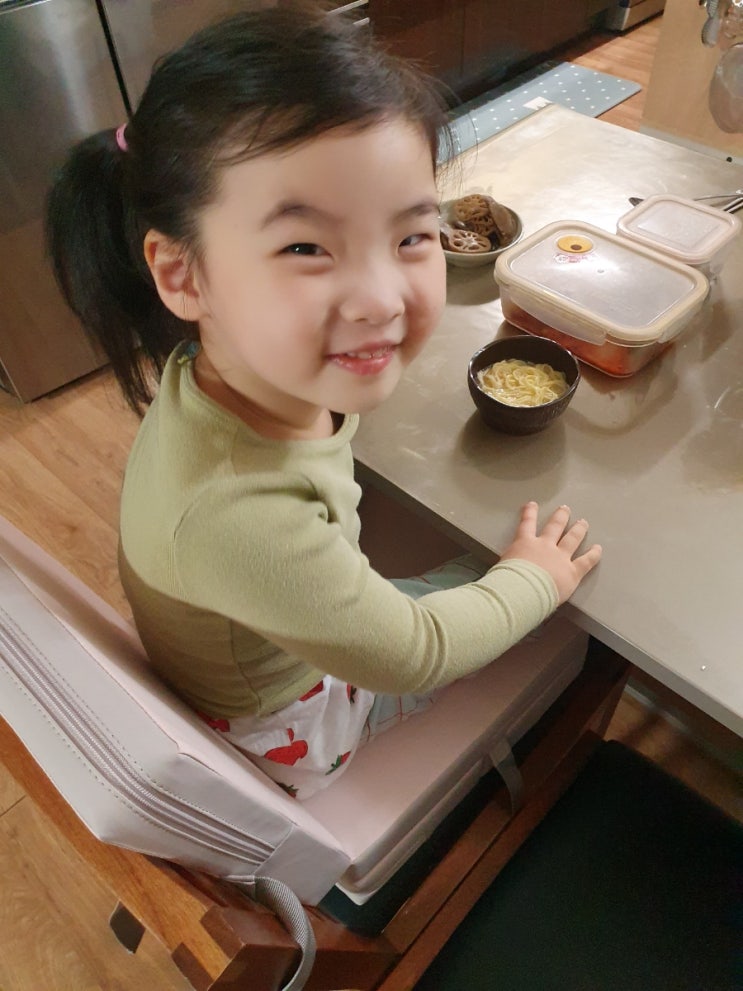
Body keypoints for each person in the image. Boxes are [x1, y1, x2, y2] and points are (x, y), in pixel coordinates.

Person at [46, 0, 601, 799]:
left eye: (411, 236)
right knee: (546, 589)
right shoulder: (240, 515)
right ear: (182, 274)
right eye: (305, 246)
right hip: (299, 723)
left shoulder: (226, 364)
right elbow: (415, 652)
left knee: (486, 558)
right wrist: (534, 581)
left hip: (282, 624)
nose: (380, 298)